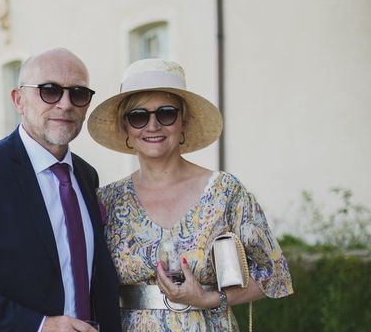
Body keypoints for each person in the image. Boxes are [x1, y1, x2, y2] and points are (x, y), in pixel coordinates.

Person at [0, 48, 122, 332]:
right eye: (49, 91)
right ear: (19, 99)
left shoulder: (86, 176)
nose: (65, 104)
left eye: (78, 93)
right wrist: (39, 326)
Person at [87, 58, 293, 331]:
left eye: (166, 113)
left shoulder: (225, 192)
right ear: (126, 128)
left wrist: (209, 298)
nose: (152, 125)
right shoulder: (107, 200)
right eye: (138, 116)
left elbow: (274, 274)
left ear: (183, 122)